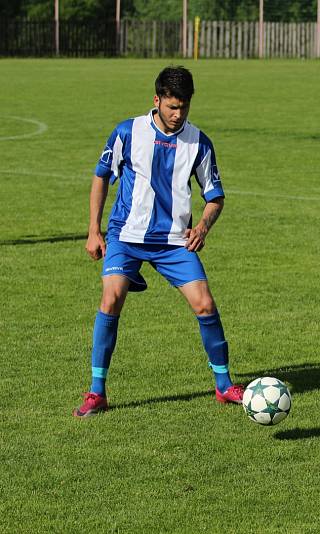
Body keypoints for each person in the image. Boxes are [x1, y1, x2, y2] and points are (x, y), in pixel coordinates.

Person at [73, 66, 243, 418]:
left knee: (205, 305)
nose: (177, 114)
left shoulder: (199, 143)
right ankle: (96, 391)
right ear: (157, 100)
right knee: (111, 298)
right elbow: (101, 177)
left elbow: (215, 197)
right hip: (127, 235)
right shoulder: (128, 132)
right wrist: (94, 229)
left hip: (173, 242)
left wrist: (203, 228)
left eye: (183, 107)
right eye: (171, 106)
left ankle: (224, 385)